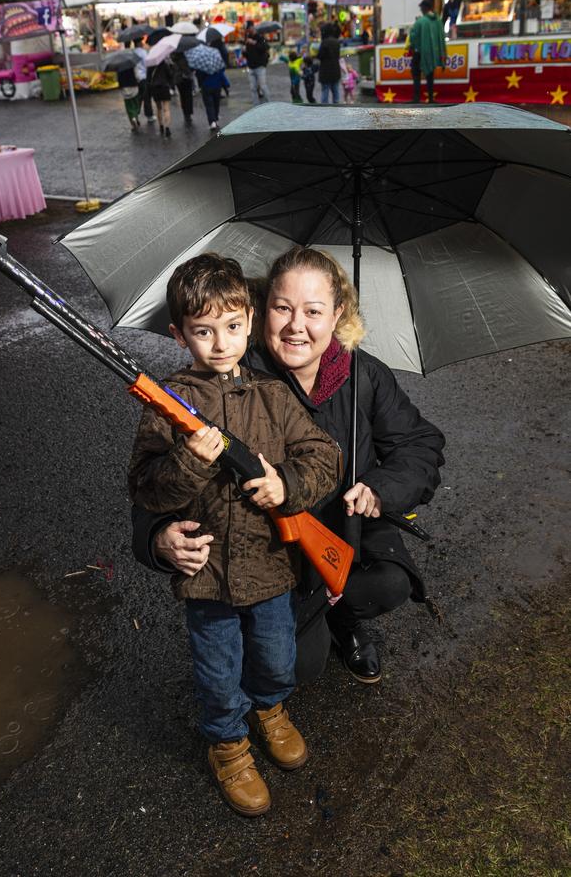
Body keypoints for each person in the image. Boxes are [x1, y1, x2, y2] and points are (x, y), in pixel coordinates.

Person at [131, 248, 445, 690]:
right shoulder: (229, 376)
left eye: (313, 311)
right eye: (283, 308)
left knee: (389, 583)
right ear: (262, 311)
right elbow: (153, 478)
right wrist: (157, 536)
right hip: (270, 549)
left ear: (338, 314)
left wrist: (379, 488)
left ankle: (344, 621)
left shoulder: (365, 375)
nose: (296, 325)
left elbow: (420, 445)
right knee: (295, 667)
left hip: (345, 531)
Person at [127, 254, 340, 817]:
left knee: (276, 657)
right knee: (217, 671)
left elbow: (324, 455)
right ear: (178, 335)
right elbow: (146, 487)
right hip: (207, 577)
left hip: (270, 567)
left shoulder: (273, 395)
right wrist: (191, 463)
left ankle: (270, 710)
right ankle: (229, 744)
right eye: (202, 330)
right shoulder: (169, 405)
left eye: (231, 326)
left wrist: (285, 485)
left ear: (249, 320)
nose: (220, 343)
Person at [409, 0, 447, 104]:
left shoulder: (420, 21)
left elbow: (413, 37)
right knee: (430, 75)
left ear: (425, 8)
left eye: (421, 8)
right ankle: (430, 98)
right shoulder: (438, 21)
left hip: (419, 52)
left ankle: (416, 98)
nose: (420, 10)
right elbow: (441, 37)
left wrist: (413, 46)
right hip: (432, 53)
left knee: (416, 74)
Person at [117, 42, 154, 131]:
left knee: (128, 105)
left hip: (124, 88)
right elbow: (137, 73)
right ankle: (138, 115)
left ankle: (133, 118)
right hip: (134, 85)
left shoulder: (119, 67)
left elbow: (117, 79)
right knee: (136, 101)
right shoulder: (132, 63)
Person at [243, 22, 271, 105]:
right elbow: (248, 54)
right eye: (246, 29)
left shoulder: (260, 37)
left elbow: (265, 47)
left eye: (248, 28)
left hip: (260, 66)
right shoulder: (248, 38)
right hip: (251, 66)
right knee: (253, 88)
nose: (247, 31)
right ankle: (256, 106)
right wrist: (244, 52)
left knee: (263, 86)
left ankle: (269, 103)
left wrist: (254, 43)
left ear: (252, 27)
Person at [147, 57, 175, 138]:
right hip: (164, 87)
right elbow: (170, 75)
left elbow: (148, 79)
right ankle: (167, 128)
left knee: (159, 108)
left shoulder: (150, 65)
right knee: (166, 109)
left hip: (155, 89)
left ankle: (161, 126)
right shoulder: (164, 64)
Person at [317, 23, 341, 104]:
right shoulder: (336, 42)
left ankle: (325, 111)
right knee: (336, 92)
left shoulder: (324, 42)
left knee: (325, 92)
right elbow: (338, 55)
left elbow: (320, 56)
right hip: (335, 70)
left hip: (325, 71)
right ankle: (337, 109)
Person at [171, 51, 194, 126]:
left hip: (178, 79)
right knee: (188, 96)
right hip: (186, 78)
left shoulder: (173, 57)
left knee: (182, 96)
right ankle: (188, 113)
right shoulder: (185, 58)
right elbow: (189, 68)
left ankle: (185, 112)